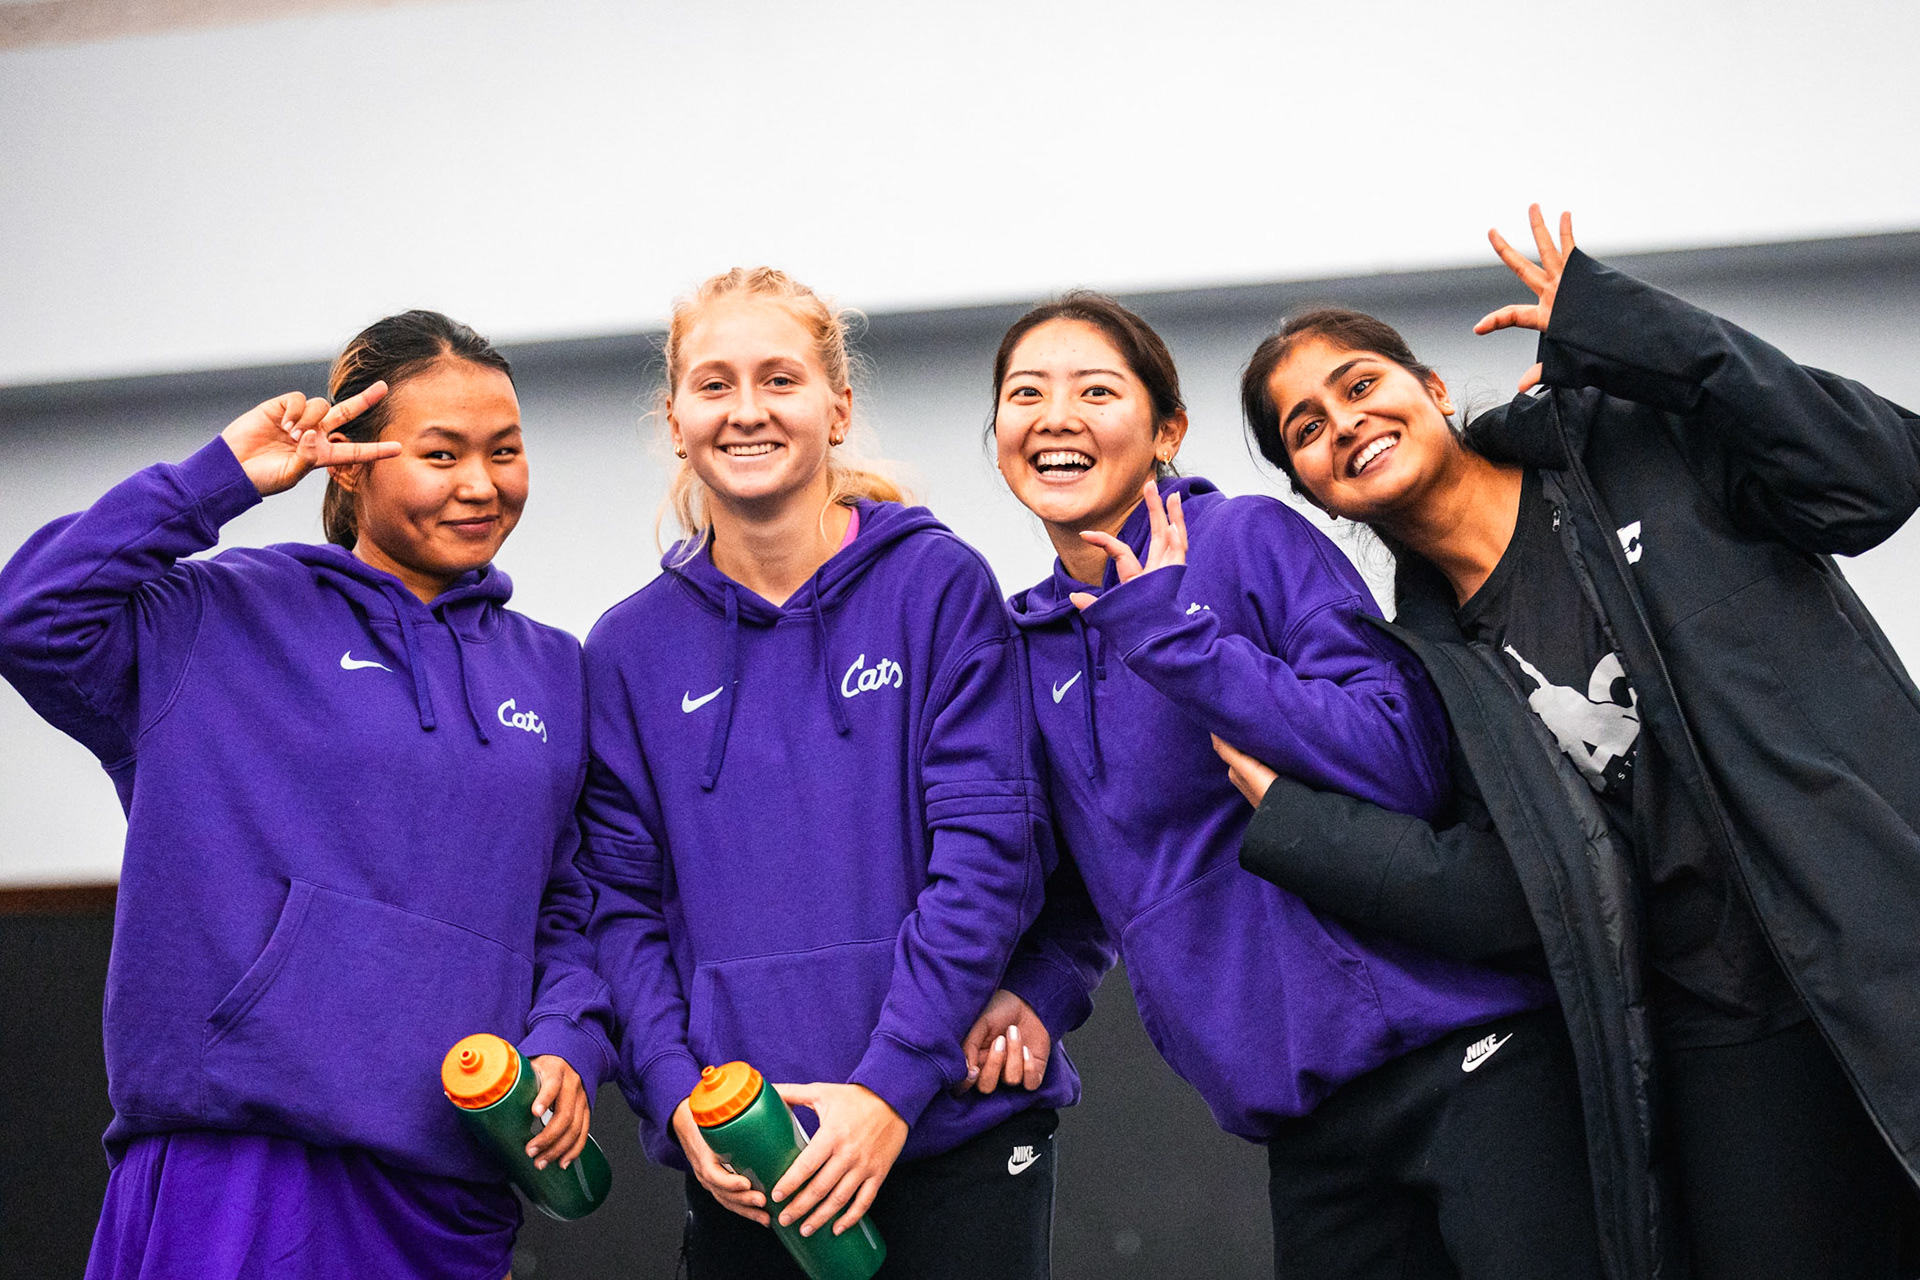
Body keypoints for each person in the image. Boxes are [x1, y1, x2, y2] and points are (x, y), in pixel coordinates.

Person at [1227, 204, 1920, 1280]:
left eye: (1360, 385)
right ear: (1311, 488)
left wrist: (1635, 329)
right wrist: (1294, 820)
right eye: (1306, 428)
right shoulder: (1429, 668)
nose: (1345, 423)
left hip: (1879, 934)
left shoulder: (1627, 442)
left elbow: (1873, 474)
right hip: (1720, 1039)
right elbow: (1507, 894)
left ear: (1431, 387)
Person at [976, 291, 1607, 1279]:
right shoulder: (1024, 646)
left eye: (1095, 390)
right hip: (1301, 1115)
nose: (1057, 416)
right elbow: (1101, 874)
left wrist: (1180, 643)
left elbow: (1403, 755)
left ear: (1166, 431)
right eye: (1026, 394)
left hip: (1464, 1056)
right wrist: (1038, 988)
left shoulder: (1248, 541)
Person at [0, 311, 615, 1280]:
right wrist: (220, 478)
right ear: (353, 465)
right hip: (239, 1170)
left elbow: (573, 908)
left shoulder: (556, 673)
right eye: (441, 453)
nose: (481, 483)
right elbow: (31, 614)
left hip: (450, 1187)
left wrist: (568, 1042)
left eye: (504, 451)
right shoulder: (216, 616)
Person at [576, 267, 1063, 1280]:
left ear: (836, 409)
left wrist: (888, 1089)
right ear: (675, 419)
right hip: (750, 1161)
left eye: (779, 379)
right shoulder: (626, 651)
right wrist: (674, 1091)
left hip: (951, 1132)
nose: (746, 409)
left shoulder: (936, 585)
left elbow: (990, 859)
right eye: (714, 384)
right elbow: (620, 908)